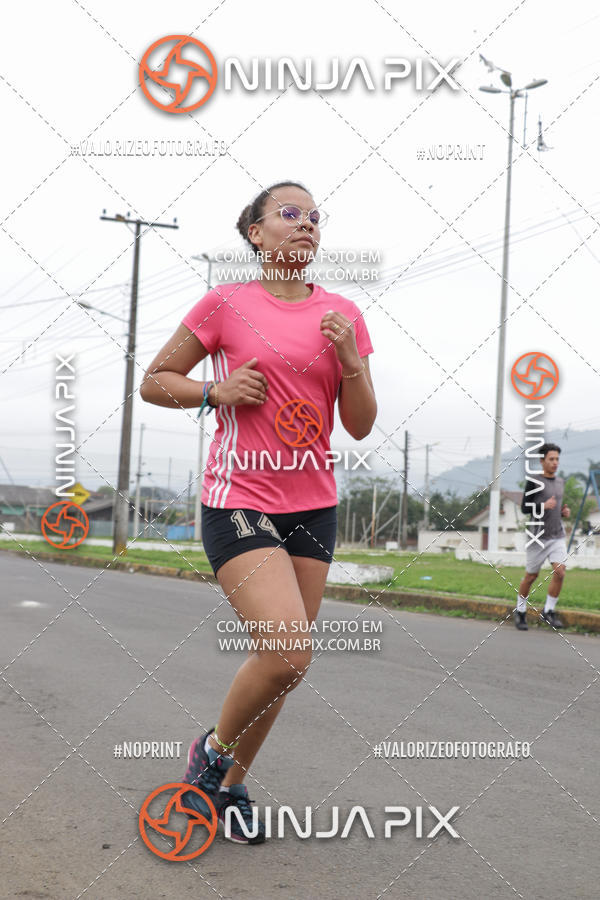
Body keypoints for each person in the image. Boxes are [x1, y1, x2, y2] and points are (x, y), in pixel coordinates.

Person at [140, 180, 377, 843]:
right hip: (239, 499)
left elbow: (358, 426)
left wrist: (353, 362)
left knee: (283, 666)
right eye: (290, 214)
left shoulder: (343, 314)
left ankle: (229, 787)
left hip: (314, 506)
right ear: (256, 233)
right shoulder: (225, 304)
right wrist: (214, 390)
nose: (305, 225)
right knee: (289, 651)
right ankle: (210, 760)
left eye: (314, 217)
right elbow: (155, 381)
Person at [514, 442, 571, 631]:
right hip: (537, 537)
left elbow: (557, 507)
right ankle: (520, 611)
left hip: (556, 536)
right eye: (551, 459)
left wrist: (563, 511)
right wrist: (542, 507)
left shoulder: (561, 482)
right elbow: (524, 508)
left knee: (560, 572)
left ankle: (548, 611)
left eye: (557, 459)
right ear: (542, 461)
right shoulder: (533, 481)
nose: (555, 463)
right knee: (531, 576)